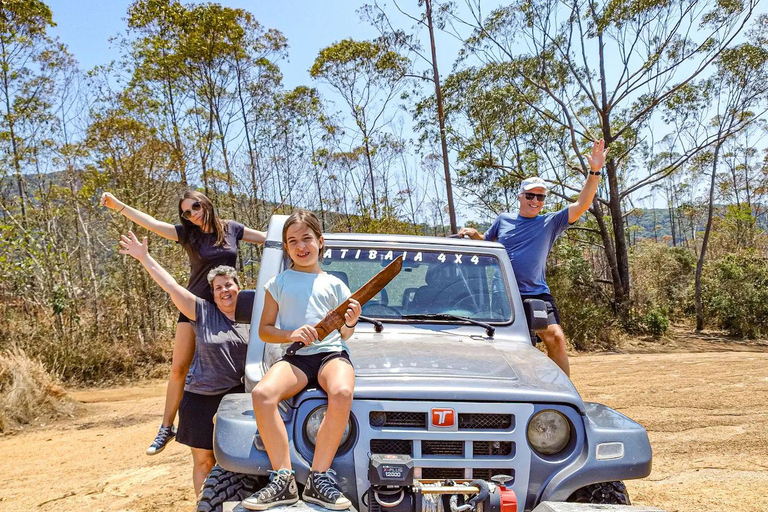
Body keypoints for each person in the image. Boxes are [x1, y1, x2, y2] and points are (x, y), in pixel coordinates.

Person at [101, 190, 265, 454]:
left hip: (229, 305)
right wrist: (118, 205)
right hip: (194, 306)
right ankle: (166, 427)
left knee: (244, 365)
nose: (193, 214)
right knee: (180, 367)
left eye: (196, 207)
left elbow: (271, 240)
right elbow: (153, 224)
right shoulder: (188, 234)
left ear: (207, 203)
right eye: (187, 213)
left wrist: (308, 240)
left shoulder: (232, 228)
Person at [241, 210, 361, 511]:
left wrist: (351, 321)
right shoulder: (277, 283)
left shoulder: (335, 285)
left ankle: (319, 479)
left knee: (343, 392)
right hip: (296, 356)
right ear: (286, 247)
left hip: (331, 354)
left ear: (320, 241)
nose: (300, 246)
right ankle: (283, 479)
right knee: (262, 394)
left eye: (307, 238)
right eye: (292, 241)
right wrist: (292, 333)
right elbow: (265, 331)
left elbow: (344, 336)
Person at [459, 139, 608, 376]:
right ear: (520, 196)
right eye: (530, 196)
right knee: (509, 348)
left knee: (556, 338)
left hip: (536, 293)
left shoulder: (550, 222)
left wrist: (595, 171)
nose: (535, 201)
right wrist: (476, 235)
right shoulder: (503, 220)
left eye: (540, 197)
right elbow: (488, 249)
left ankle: (562, 395)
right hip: (503, 295)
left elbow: (582, 203)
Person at [118, 231, 248, 495]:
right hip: (201, 398)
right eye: (218, 287)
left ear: (239, 287)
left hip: (237, 400)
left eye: (228, 284)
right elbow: (171, 286)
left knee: (240, 464)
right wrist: (144, 257)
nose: (224, 290)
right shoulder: (202, 311)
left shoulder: (255, 316)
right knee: (205, 462)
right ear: (212, 293)